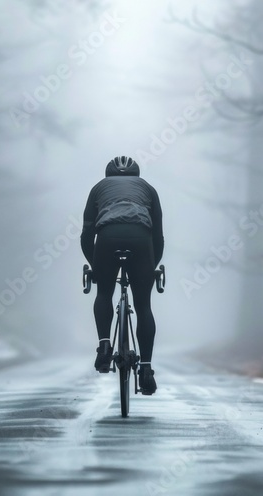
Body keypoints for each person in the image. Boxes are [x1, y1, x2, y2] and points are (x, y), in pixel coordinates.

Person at [81, 156, 164, 395]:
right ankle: (146, 370)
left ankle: (105, 346)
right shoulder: (148, 189)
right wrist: (151, 267)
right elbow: (157, 236)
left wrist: (95, 265)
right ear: (136, 175)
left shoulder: (98, 188)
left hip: (107, 238)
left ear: (108, 174)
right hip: (141, 239)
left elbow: (87, 234)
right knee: (143, 306)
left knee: (104, 293)